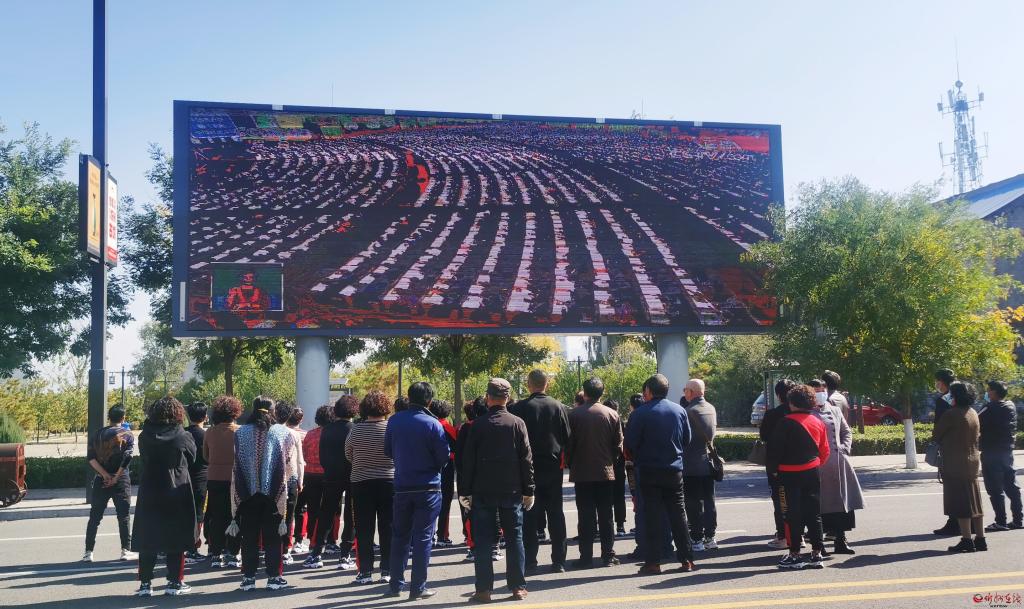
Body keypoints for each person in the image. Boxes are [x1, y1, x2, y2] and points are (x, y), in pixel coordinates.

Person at [461, 378, 535, 602]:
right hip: (511, 489)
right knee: (515, 538)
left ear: (488, 398)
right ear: (508, 398)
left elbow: (468, 461)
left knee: (483, 540)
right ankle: (517, 587)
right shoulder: (517, 423)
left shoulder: (478, 425)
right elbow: (526, 459)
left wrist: (465, 490)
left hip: (482, 490)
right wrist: (529, 489)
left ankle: (484, 589)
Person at [384, 381, 451, 600]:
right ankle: (418, 587)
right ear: (429, 400)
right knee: (423, 538)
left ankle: (395, 585)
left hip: (402, 485)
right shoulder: (433, 424)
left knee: (399, 536)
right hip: (428, 486)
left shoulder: (394, 421)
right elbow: (443, 457)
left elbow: (388, 450)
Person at [625, 374, 695, 575]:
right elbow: (687, 439)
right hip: (674, 470)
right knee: (678, 515)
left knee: (652, 516)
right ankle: (687, 560)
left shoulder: (639, 413)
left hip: (648, 470)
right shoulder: (679, 410)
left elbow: (630, 443)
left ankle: (653, 562)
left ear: (648, 391)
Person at [131, 397, 198, 596]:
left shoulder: (144, 436)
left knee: (148, 536)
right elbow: (193, 458)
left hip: (150, 487)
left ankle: (145, 584)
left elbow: (144, 459)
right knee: (176, 536)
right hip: (176, 488)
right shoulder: (182, 435)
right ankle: (174, 582)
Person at [510, 369, 571, 574]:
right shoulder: (558, 406)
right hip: (553, 466)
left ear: (528, 384)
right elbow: (566, 436)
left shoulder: (519, 408)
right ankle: (559, 560)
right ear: (547, 384)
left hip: (527, 467)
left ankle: (530, 560)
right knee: (556, 513)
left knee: (529, 514)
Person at [230, 396, 292, 591]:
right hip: (273, 494)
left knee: (249, 537)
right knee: (273, 538)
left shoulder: (241, 432)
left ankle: (248, 579)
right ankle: (274, 578)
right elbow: (288, 463)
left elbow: (237, 463)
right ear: (273, 411)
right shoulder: (282, 432)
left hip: (247, 494)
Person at [767, 385, 830, 570]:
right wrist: (815, 464)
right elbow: (824, 450)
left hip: (788, 474)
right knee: (814, 513)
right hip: (812, 471)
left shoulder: (785, 422)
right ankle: (817, 553)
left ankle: (795, 554)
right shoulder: (817, 421)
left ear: (792, 403)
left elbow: (774, 451)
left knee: (791, 514)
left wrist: (773, 471)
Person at [567, 377, 623, 568]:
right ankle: (608, 555)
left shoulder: (574, 415)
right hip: (605, 472)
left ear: (585, 393)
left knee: (585, 516)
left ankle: (586, 557)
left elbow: (569, 445)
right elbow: (618, 445)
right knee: (606, 515)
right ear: (602, 393)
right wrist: (610, 461)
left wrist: (573, 463)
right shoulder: (612, 414)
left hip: (582, 472)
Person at [345, 391, 396, 585]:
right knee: (388, 526)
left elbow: (348, 453)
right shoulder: (391, 428)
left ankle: (365, 571)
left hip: (361, 482)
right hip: (389, 481)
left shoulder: (356, 429)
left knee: (364, 528)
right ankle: (387, 570)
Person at [808, 380, 864, 554]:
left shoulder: (835, 410)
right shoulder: (808, 413)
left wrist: (844, 448)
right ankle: (820, 544)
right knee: (820, 506)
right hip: (818, 466)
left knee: (842, 505)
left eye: (823, 390)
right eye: (816, 391)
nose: (821, 393)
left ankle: (841, 540)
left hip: (839, 464)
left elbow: (846, 432)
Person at [934, 382, 988, 553]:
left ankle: (966, 540)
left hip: (955, 462)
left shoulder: (951, 414)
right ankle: (980, 539)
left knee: (961, 503)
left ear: (955, 396)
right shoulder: (973, 412)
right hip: (972, 461)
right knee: (975, 502)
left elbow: (937, 434)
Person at [306, 395, 356, 569]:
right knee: (350, 515)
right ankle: (345, 555)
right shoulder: (354, 429)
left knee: (326, 513)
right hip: (351, 475)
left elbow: (322, 456)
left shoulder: (327, 430)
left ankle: (317, 552)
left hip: (331, 475)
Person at [83, 404, 137, 563]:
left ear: (109, 417)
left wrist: (105, 475)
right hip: (121, 480)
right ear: (123, 418)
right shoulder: (128, 435)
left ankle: (88, 552)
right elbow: (127, 458)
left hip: (101, 480)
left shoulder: (97, 434)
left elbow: (91, 458)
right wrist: (115, 477)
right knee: (123, 516)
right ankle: (125, 550)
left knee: (95, 517)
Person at [204, 395, 243, 568]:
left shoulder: (209, 432)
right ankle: (233, 553)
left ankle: (215, 553)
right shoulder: (239, 431)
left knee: (217, 517)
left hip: (214, 477)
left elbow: (205, 456)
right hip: (234, 478)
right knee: (235, 516)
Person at [979, 380, 1022, 531]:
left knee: (994, 489)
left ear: (994, 392)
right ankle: (1018, 520)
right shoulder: (1010, 406)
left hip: (991, 452)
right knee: (1011, 486)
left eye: (988, 390)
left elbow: (974, 422)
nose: (987, 392)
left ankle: (1001, 522)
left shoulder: (988, 408)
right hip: (1006, 451)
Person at [682, 379, 718, 552]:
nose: (684, 393)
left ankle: (696, 538)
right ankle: (710, 537)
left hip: (691, 464)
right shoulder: (711, 408)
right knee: (709, 501)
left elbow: (683, 438)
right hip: (708, 463)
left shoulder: (688, 411)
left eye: (685, 389)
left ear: (691, 392)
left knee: (693, 504)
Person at [760, 379, 797, 549]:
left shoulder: (772, 415)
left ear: (778, 395)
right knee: (798, 500)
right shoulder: (803, 413)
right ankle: (798, 535)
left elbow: (764, 437)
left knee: (780, 501)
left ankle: (783, 536)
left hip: (778, 465)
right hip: (800, 463)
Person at [456, 397, 489, 562]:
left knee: (469, 512)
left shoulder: (466, 428)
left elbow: (459, 456)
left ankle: (473, 546)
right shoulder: (491, 425)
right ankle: (493, 546)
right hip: (489, 477)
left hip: (469, 478)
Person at [273, 402, 305, 565]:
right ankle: (286, 549)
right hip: (290, 477)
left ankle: (272, 548)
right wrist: (301, 480)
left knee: (273, 514)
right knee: (289, 515)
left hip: (273, 478)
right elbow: (299, 461)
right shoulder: (294, 434)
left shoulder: (270, 432)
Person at [931, 368, 961, 536]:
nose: (936, 384)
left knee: (951, 487)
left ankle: (954, 522)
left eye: (937, 381)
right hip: (965, 447)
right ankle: (969, 521)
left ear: (942, 382)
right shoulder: (963, 397)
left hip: (949, 448)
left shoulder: (943, 401)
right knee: (964, 488)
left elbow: (939, 427)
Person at [430, 399, 458, 548]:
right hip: (447, 469)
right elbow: (456, 449)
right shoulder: (448, 428)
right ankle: (442, 535)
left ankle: (430, 536)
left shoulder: (428, 425)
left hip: (430, 468)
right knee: (445, 503)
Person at [184, 402, 209, 564]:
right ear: (205, 417)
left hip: (183, 478)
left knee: (184, 513)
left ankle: (182, 546)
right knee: (198, 515)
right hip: (201, 478)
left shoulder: (183, 433)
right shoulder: (205, 435)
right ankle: (193, 548)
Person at [286, 407, 309, 553]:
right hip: (301, 474)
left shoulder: (282, 433)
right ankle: (299, 540)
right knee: (300, 509)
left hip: (284, 475)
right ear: (301, 419)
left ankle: (285, 541)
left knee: (285, 511)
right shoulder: (305, 435)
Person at [606, 399, 629, 539]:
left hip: (606, 464)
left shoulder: (603, 422)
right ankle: (620, 526)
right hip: (619, 464)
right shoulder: (622, 423)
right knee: (619, 496)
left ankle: (606, 526)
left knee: (606, 497)